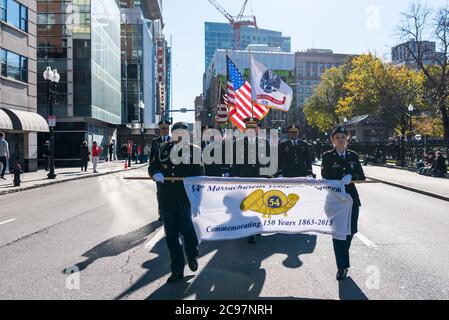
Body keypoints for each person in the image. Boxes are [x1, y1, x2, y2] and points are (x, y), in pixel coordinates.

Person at [148, 122, 204, 283]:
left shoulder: (195, 151)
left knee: (188, 232)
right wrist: (155, 174)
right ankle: (177, 269)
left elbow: (200, 175)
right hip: (167, 199)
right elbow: (153, 167)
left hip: (185, 199)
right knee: (171, 236)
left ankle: (192, 255)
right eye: (177, 132)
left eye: (183, 132)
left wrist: (197, 201)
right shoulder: (163, 148)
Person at [321, 126, 366, 281]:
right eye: (337, 137)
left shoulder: (353, 155)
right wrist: (338, 181)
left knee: (351, 231)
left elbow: (362, 176)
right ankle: (342, 267)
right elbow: (325, 175)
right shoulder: (327, 156)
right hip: (335, 200)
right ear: (332, 140)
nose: (341, 139)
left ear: (347, 139)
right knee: (339, 233)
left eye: (343, 137)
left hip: (352, 199)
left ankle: (342, 258)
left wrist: (351, 176)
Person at [231, 118, 272, 244]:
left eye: (254, 128)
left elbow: (270, 161)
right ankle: (250, 231)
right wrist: (234, 178)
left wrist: (271, 177)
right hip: (245, 177)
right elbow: (235, 163)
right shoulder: (238, 143)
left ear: (258, 129)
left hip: (260, 178)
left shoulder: (264, 142)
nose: (252, 130)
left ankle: (257, 227)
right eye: (249, 128)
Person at [150, 120, 172, 222]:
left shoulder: (173, 140)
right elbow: (152, 159)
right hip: (160, 173)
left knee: (170, 193)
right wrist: (153, 173)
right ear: (159, 129)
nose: (165, 130)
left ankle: (170, 212)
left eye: (166, 128)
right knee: (160, 194)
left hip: (171, 174)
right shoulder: (155, 141)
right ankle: (161, 213)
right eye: (163, 128)